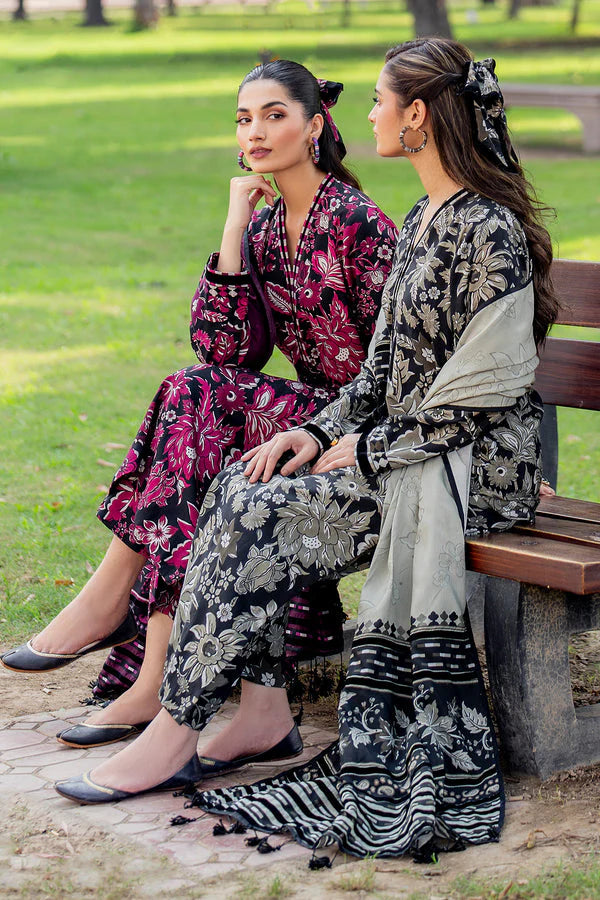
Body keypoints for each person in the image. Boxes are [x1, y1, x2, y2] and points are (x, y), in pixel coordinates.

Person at [54, 37, 558, 862]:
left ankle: (174, 734)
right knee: (240, 487)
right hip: (402, 450)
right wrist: (315, 431)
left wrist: (363, 451)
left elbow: (480, 397)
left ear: (418, 117)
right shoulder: (424, 219)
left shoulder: (485, 231)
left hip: (468, 471)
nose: (370, 116)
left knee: (259, 517)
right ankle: (236, 713)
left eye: (380, 102)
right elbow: (380, 372)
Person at [0, 60, 398, 752]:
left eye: (274, 115)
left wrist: (360, 432)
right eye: (244, 119)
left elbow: (403, 362)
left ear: (315, 126)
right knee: (194, 397)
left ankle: (122, 619)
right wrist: (235, 224)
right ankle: (147, 662)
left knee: (194, 399)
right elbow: (224, 349)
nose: (256, 132)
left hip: (362, 427)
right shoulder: (267, 228)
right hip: (308, 416)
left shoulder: (358, 223)